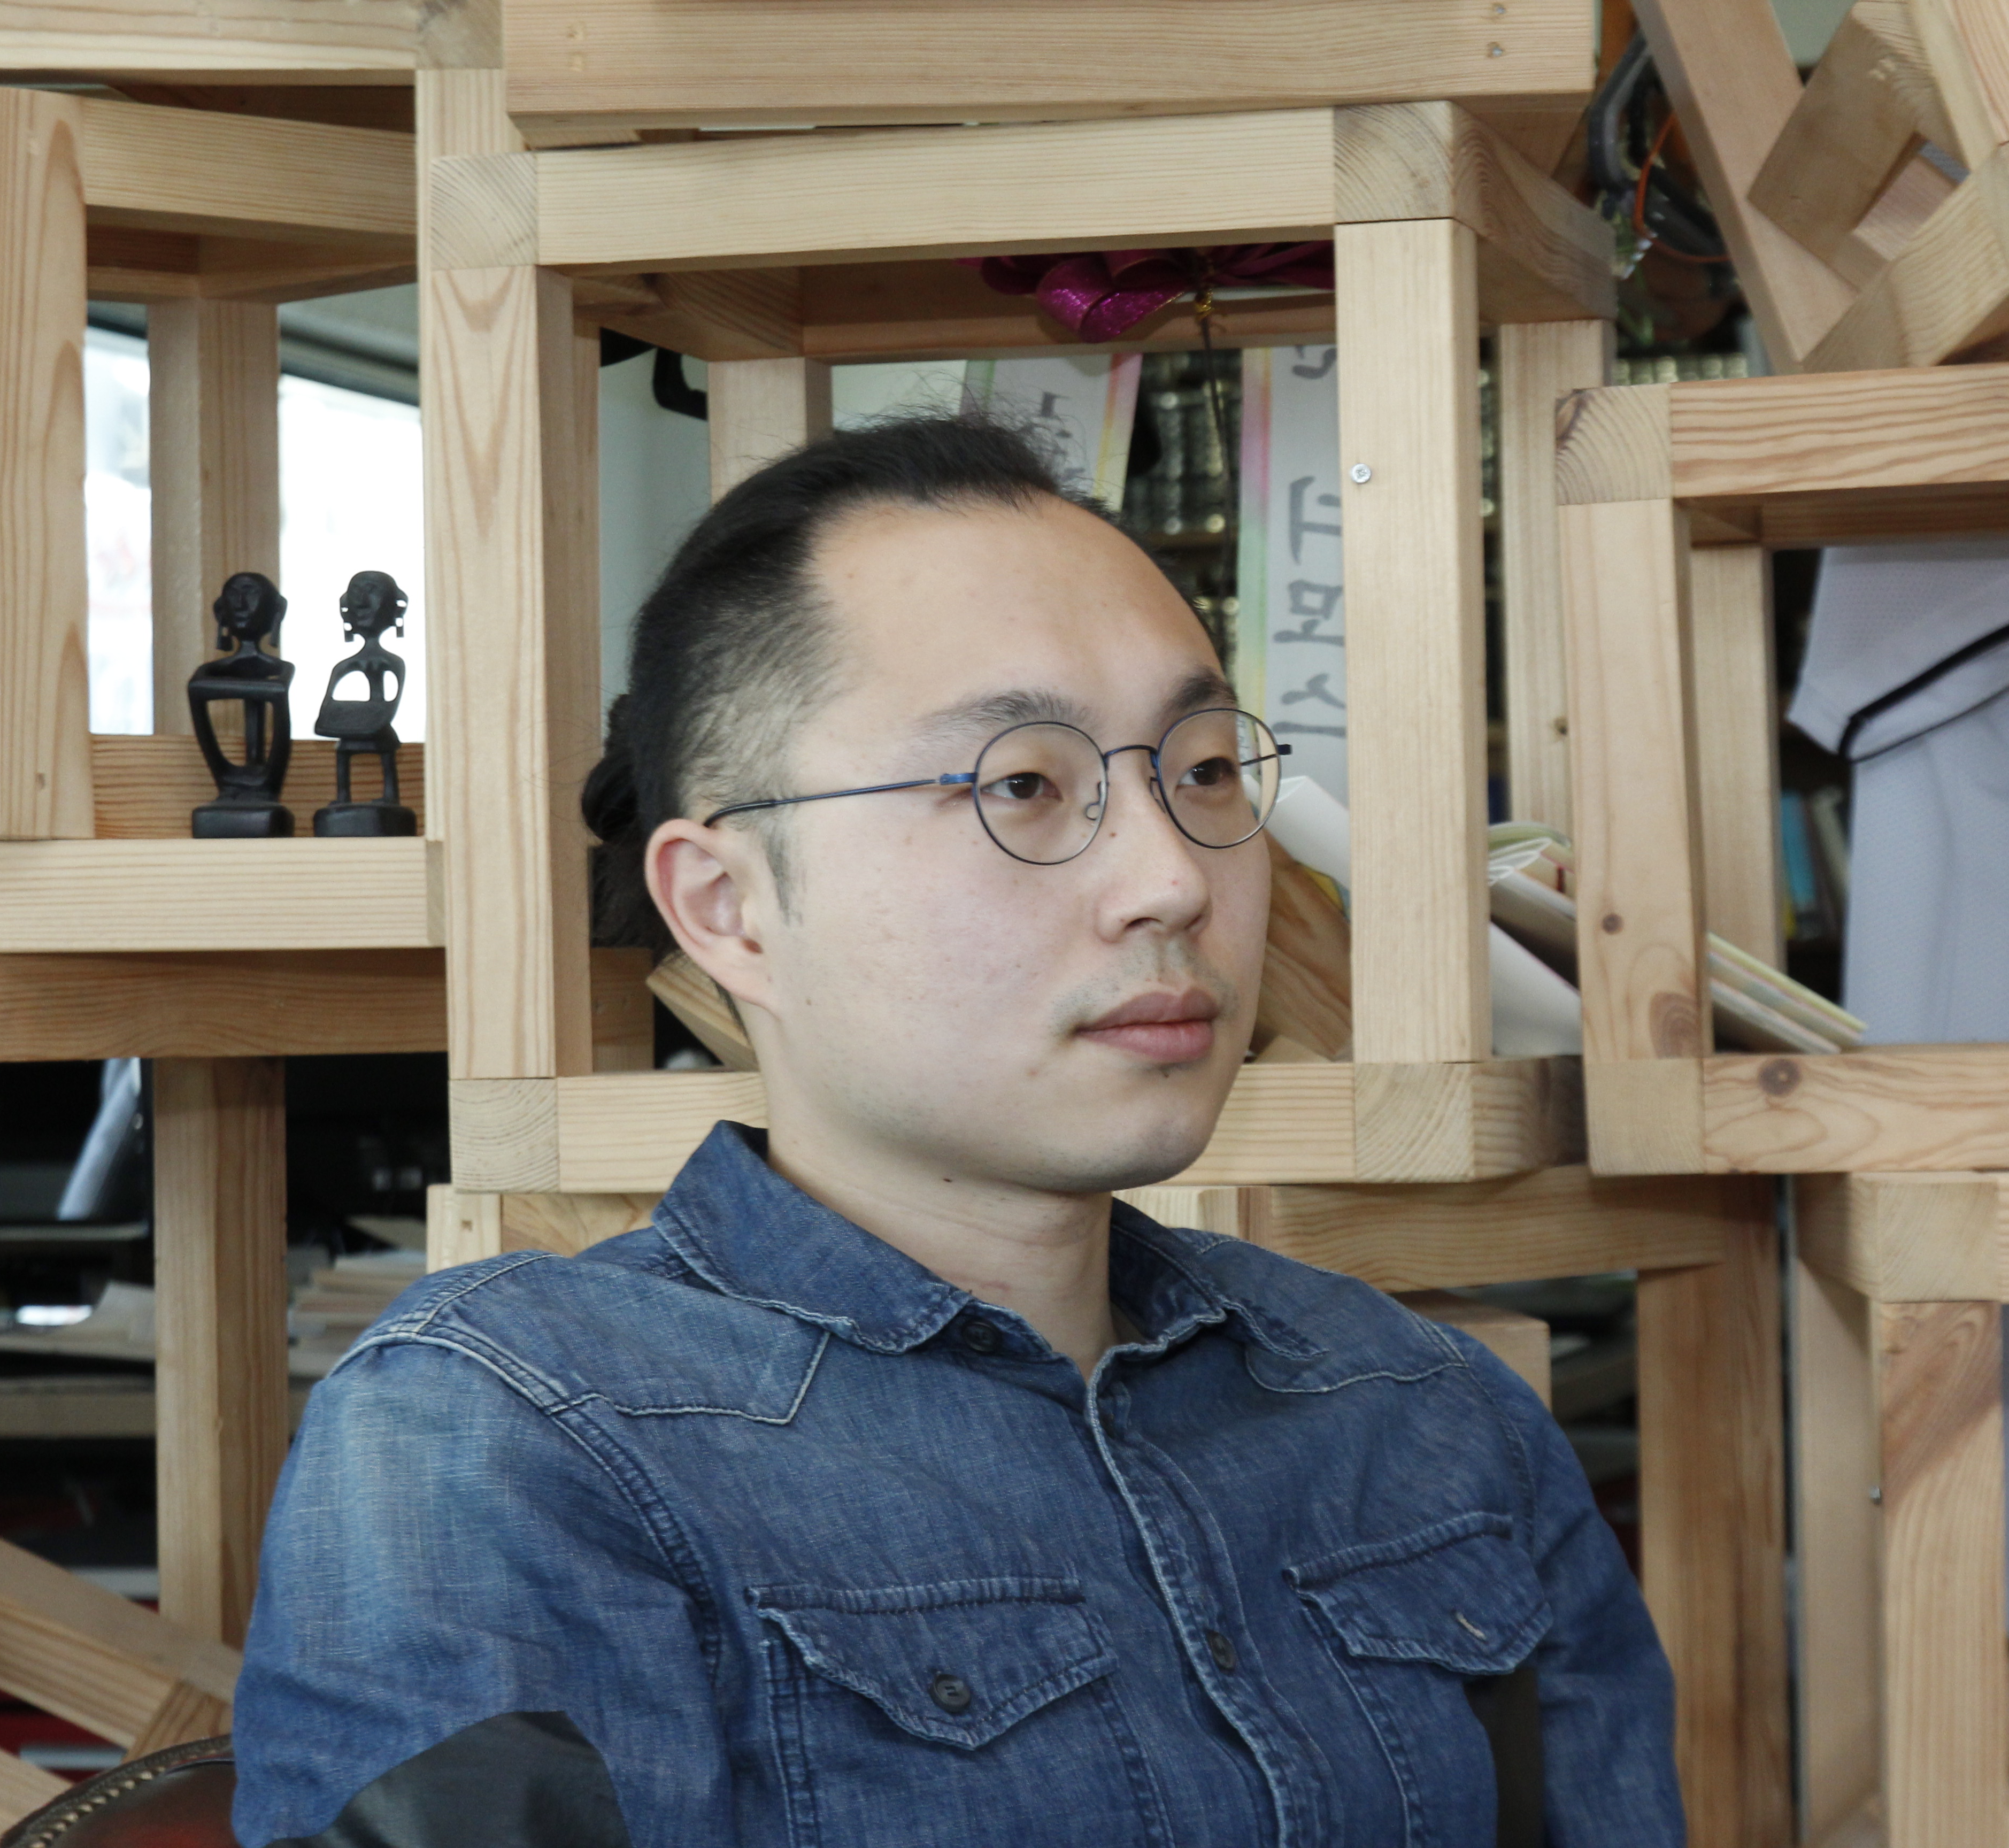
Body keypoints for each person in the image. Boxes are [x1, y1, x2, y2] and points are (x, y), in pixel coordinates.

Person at [230, 417, 1683, 1847]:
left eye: (1203, 771)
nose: (1173, 879)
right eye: (1024, 787)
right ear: (730, 908)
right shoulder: (511, 1437)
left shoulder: (1424, 1413)